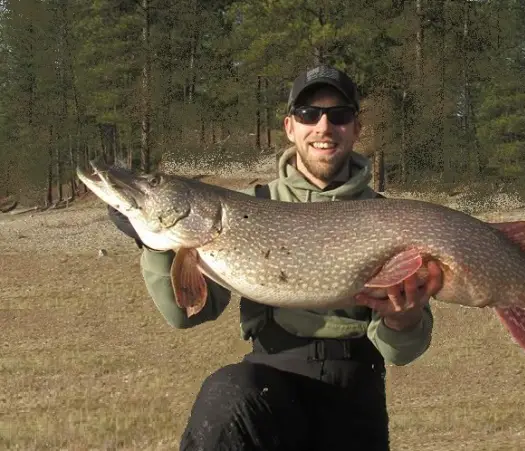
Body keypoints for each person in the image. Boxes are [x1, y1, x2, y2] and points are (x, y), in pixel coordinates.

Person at [109, 65, 442, 451]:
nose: (323, 127)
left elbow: (403, 352)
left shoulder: (389, 217)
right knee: (226, 394)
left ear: (356, 127)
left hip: (355, 392)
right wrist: (153, 244)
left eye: (339, 115)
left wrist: (404, 319)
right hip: (270, 384)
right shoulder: (252, 206)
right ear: (289, 127)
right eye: (308, 114)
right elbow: (186, 313)